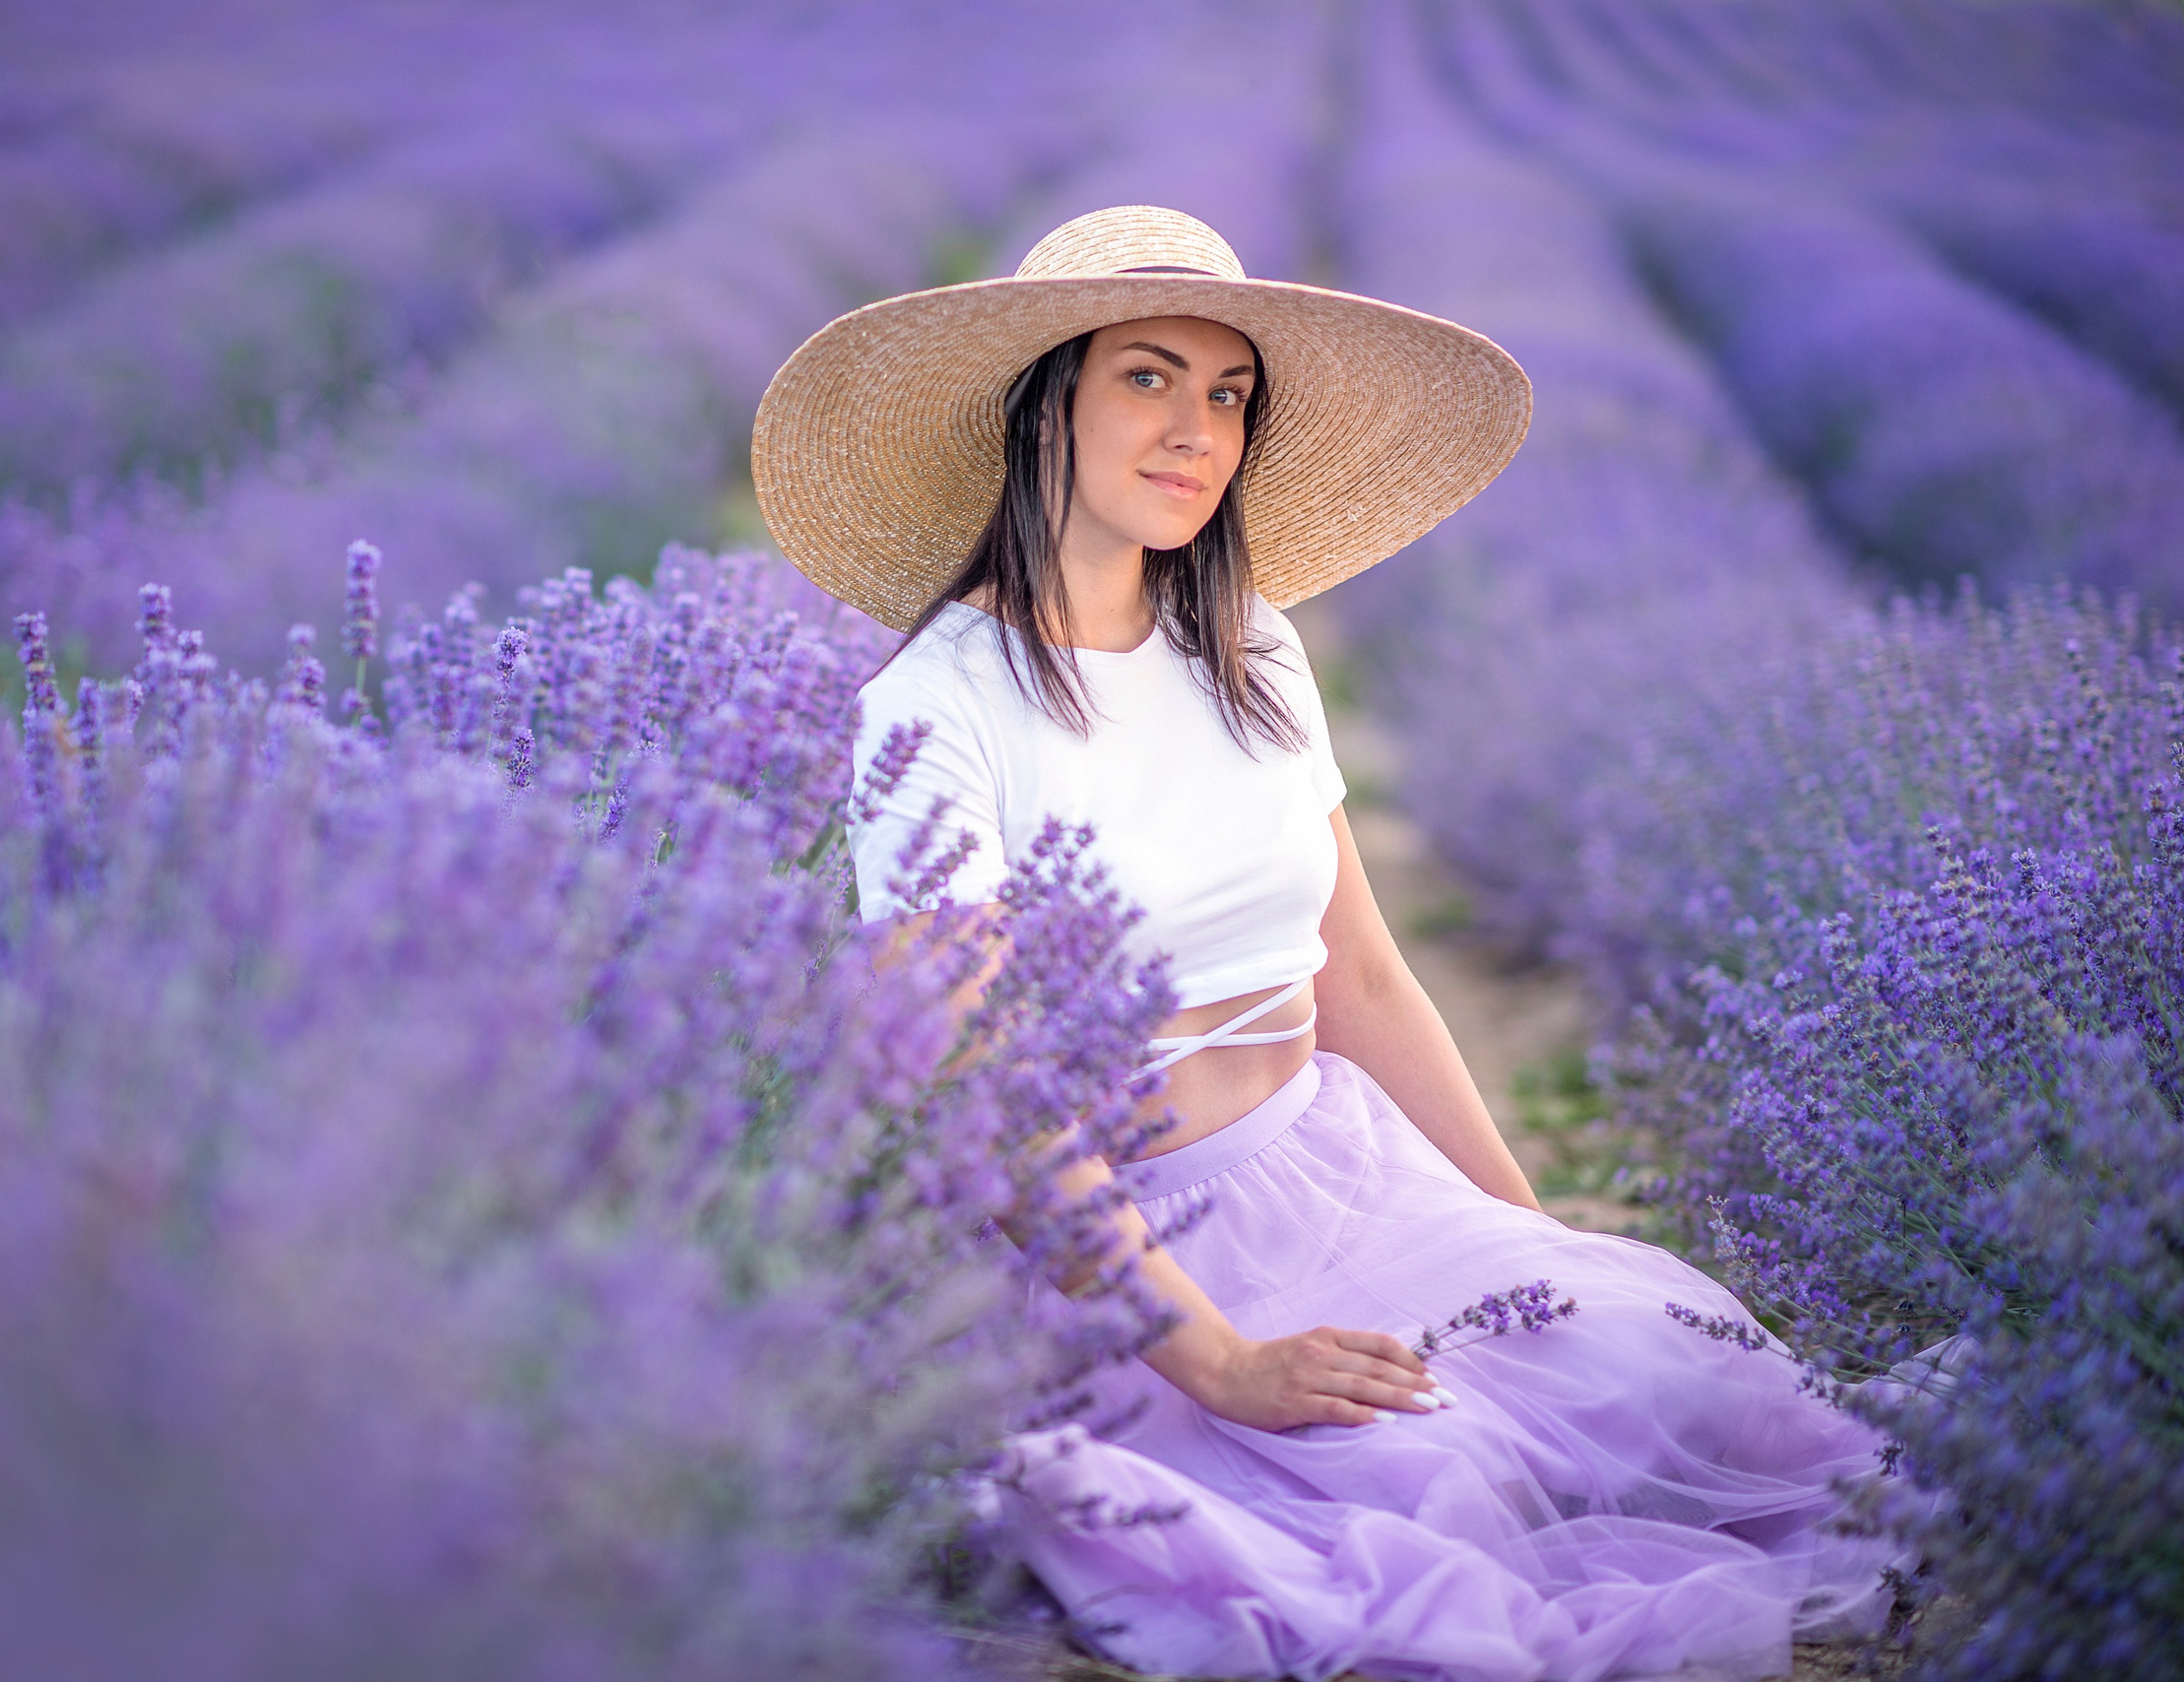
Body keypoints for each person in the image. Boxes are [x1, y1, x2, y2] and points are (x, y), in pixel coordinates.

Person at [749, 206, 1906, 1682]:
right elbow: (976, 1084)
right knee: (1430, 1502)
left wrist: (1529, 1238)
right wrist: (1220, 1361)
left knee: (1701, 1403)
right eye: (1149, 379)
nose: (1198, 431)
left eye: (1228, 396)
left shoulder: (1254, 646)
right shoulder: (940, 705)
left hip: (1344, 1175)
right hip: (1124, 1254)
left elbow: (1358, 976)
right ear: (1044, 407)